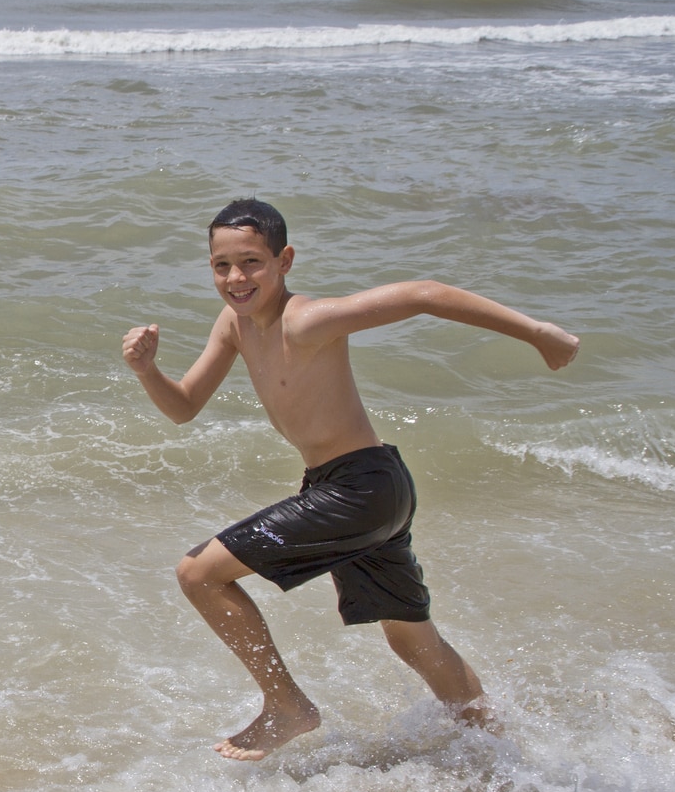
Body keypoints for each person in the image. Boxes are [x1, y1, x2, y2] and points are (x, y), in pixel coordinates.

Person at [122, 198, 579, 761]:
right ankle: (505, 754)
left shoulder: (308, 320)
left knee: (199, 573)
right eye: (222, 266)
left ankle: (287, 705)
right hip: (369, 488)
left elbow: (424, 294)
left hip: (359, 487)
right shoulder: (235, 325)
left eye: (252, 262)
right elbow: (184, 405)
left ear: (284, 260)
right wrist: (148, 372)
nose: (237, 278)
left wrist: (539, 333)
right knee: (412, 638)